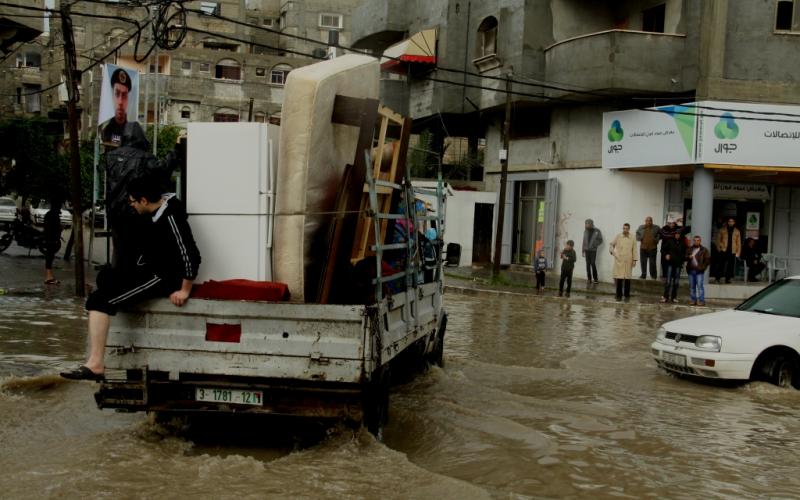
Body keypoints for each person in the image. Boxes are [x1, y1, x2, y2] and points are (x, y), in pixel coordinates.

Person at [60, 173, 201, 380]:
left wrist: (184, 289)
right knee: (105, 278)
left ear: (144, 200)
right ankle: (95, 359)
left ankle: (96, 365)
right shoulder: (154, 215)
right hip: (148, 270)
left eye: (133, 201)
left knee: (99, 300)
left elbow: (190, 254)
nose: (132, 205)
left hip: (162, 277)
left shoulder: (171, 216)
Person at [106, 121, 181, 269]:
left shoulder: (110, 157)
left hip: (115, 214)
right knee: (139, 253)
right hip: (137, 212)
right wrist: (177, 149)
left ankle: (117, 284)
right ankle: (133, 284)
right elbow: (162, 171)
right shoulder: (146, 158)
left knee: (119, 252)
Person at [101, 67, 132, 146]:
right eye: (117, 94)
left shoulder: (132, 131)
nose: (120, 102)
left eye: (124, 95)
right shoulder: (106, 131)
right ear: (111, 96)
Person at [610, 223, 637, 300]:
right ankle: (618, 295)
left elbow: (634, 249)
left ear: (629, 229)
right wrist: (613, 253)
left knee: (628, 278)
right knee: (619, 277)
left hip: (628, 259)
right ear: (622, 228)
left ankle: (627, 295)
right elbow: (612, 244)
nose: (625, 230)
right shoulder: (618, 236)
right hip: (620, 260)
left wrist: (634, 260)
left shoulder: (632, 237)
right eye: (624, 228)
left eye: (626, 228)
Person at [660, 230, 685, 303]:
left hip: (678, 265)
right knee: (668, 281)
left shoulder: (682, 243)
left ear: (680, 235)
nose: (677, 235)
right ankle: (665, 297)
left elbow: (684, 253)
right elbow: (662, 249)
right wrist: (666, 255)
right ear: (674, 235)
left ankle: (674, 297)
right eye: (676, 234)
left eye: (679, 234)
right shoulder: (670, 241)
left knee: (676, 282)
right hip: (670, 264)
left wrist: (681, 260)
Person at [685, 235, 710, 306]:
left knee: (700, 286)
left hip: (699, 271)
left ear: (700, 241)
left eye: (698, 240)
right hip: (691, 270)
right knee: (692, 287)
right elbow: (685, 257)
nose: (696, 242)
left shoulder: (704, 250)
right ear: (693, 241)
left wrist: (702, 268)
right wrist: (688, 257)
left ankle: (701, 301)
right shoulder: (689, 249)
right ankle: (693, 300)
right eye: (695, 240)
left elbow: (707, 260)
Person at [43, 198, 63, 285]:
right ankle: (48, 277)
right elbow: (56, 228)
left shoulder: (48, 214)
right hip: (52, 239)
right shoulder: (54, 215)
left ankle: (49, 276)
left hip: (48, 238)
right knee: (49, 257)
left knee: (49, 256)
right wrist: (61, 229)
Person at [715, 217, 741, 284]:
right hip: (723, 250)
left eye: (732, 221)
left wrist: (738, 252)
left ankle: (728, 279)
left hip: (732, 251)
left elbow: (738, 243)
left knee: (730, 266)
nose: (730, 222)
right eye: (729, 221)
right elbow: (718, 240)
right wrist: (719, 248)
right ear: (727, 222)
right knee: (721, 264)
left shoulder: (737, 231)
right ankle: (717, 278)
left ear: (734, 222)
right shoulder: (722, 230)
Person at [582, 219, 603, 284]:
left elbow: (600, 240)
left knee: (593, 263)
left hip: (593, 250)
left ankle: (595, 279)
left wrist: (594, 245)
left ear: (591, 224)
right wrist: (582, 250)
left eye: (587, 224)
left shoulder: (597, 231)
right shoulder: (585, 231)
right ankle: (589, 279)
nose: (586, 225)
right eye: (585, 224)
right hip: (586, 250)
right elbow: (584, 241)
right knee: (587, 264)